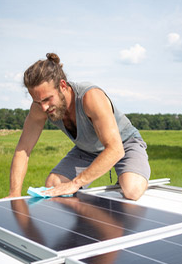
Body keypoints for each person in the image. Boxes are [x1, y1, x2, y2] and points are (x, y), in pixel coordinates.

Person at [8, 53, 150, 201]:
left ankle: (129, 175)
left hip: (124, 144)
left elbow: (115, 149)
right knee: (53, 184)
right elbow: (23, 149)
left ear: (62, 86)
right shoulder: (40, 107)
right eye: (37, 101)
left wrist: (76, 183)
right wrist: (14, 193)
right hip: (87, 150)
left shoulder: (91, 97)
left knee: (132, 189)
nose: (44, 107)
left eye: (47, 99)